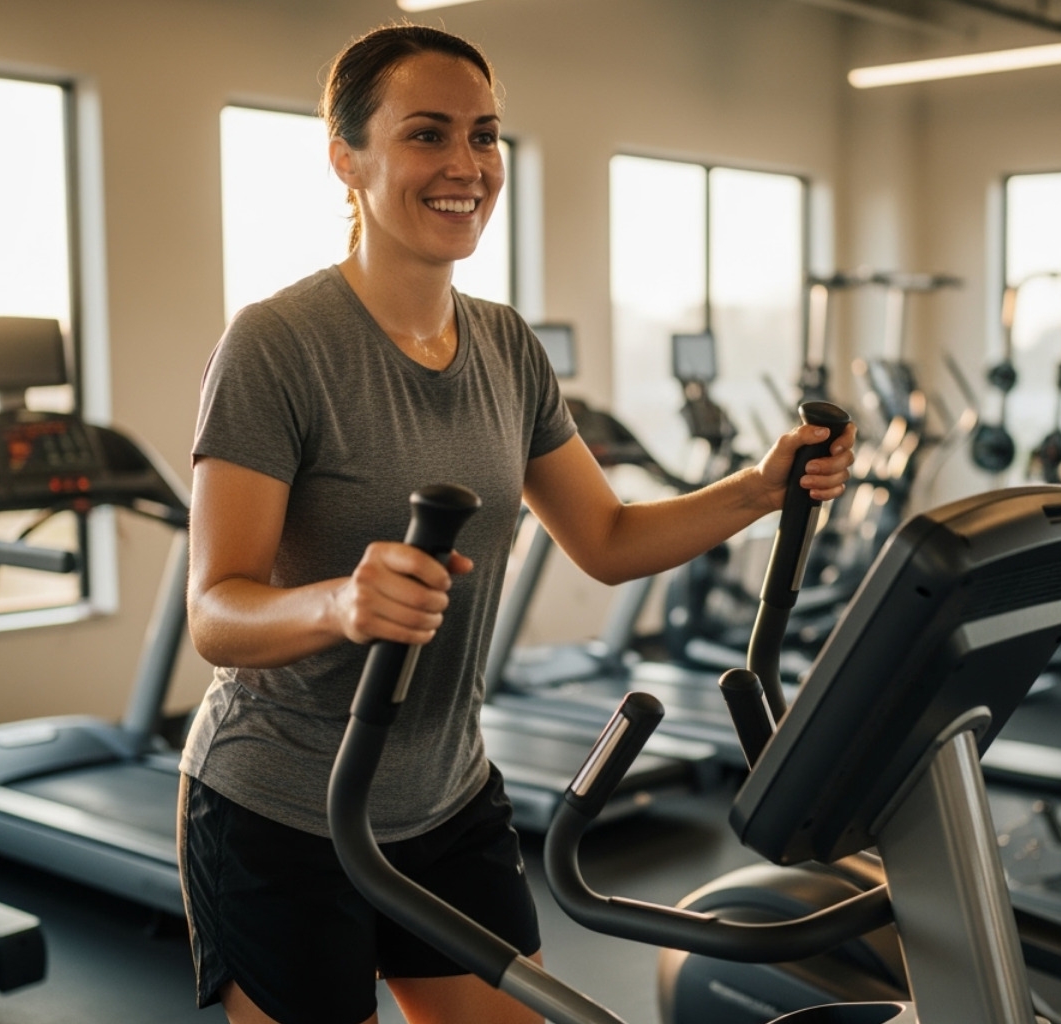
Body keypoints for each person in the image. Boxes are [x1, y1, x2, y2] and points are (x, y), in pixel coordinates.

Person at [178, 22, 856, 1024]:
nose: (466, 166)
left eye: (485, 136)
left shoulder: (504, 343)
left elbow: (609, 540)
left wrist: (761, 487)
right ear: (346, 159)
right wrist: (339, 601)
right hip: (282, 806)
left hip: (444, 794)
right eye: (427, 135)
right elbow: (215, 612)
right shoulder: (277, 344)